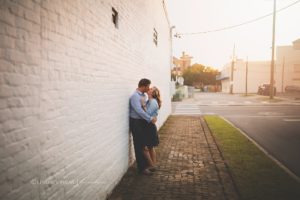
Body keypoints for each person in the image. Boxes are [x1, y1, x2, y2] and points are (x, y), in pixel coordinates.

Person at [129, 78, 157, 175]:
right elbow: (139, 111)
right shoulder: (135, 96)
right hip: (136, 122)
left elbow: (146, 109)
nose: (149, 88)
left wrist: (152, 116)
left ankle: (147, 166)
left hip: (142, 122)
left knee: (143, 145)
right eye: (148, 86)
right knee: (139, 145)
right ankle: (142, 169)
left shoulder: (143, 95)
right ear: (144, 86)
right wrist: (150, 118)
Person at [141, 86, 161, 172]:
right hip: (148, 126)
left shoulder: (153, 102)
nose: (149, 89)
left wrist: (143, 105)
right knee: (150, 147)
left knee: (145, 147)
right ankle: (153, 165)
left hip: (149, 127)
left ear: (153, 93)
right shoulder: (149, 100)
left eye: (151, 89)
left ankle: (152, 165)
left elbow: (147, 114)